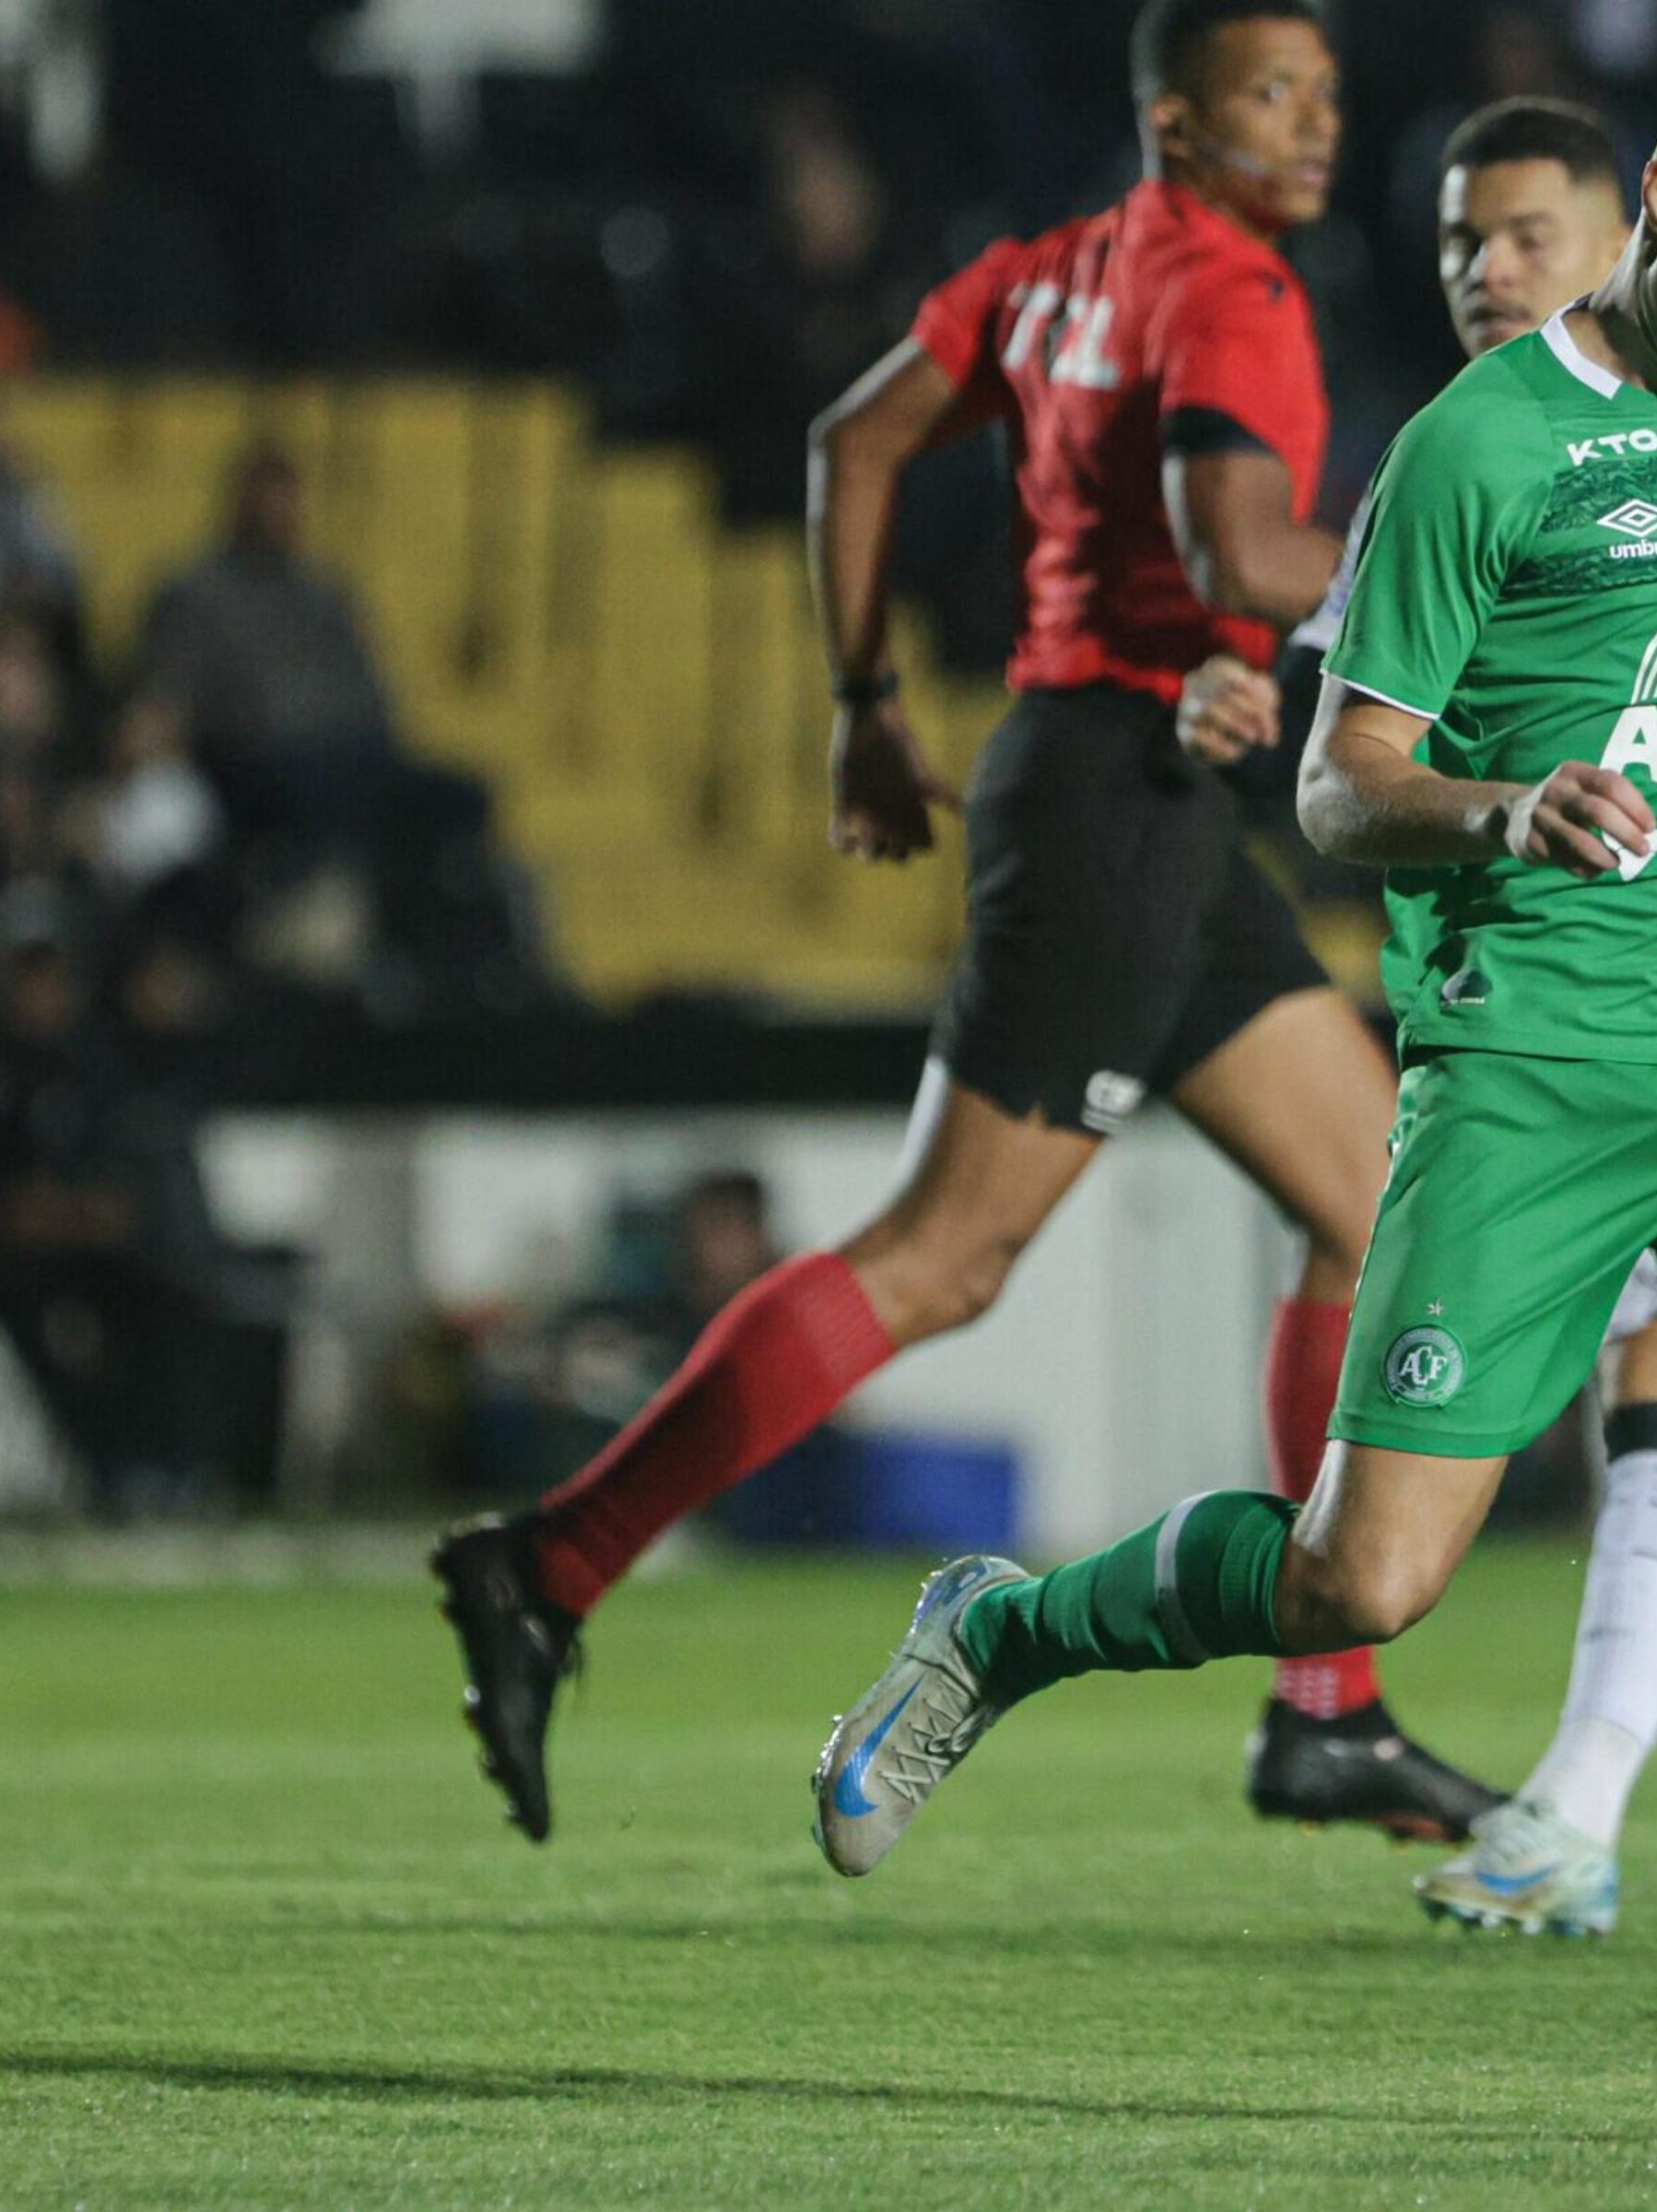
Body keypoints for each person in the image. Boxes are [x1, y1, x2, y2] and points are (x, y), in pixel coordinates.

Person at [809, 54, 1657, 2137]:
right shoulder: (1480, 451)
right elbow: (1337, 782)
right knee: (1358, 1582)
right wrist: (1507, 804)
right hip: (1541, 1068)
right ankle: (1007, 1633)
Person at [429, 0, 1498, 1849]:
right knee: (941, 1260)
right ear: (1177, 119)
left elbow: (858, 442)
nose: (1316, 124)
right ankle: (553, 1560)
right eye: (1272, 94)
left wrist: (863, 700)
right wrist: (1463, 576)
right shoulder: (1228, 287)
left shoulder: (1055, 267)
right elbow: (1246, 548)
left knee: (1369, 1200)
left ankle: (1327, 1713)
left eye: (1326, 92)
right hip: (1113, 804)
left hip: (1136, 789)